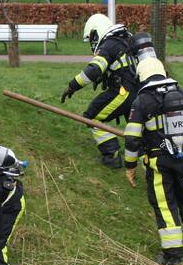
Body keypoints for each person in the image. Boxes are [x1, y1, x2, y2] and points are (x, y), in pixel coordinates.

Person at [122, 58, 183, 265]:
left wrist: (130, 166)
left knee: (165, 205)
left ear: (142, 76)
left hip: (158, 163)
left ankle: (173, 256)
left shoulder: (141, 101)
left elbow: (132, 137)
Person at [59, 14, 139, 168]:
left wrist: (72, 86)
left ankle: (112, 157)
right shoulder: (124, 41)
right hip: (139, 93)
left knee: (93, 117)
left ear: (96, 33)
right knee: (138, 128)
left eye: (91, 38)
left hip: (123, 92)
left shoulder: (108, 45)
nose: (92, 43)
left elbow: (93, 70)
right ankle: (144, 157)